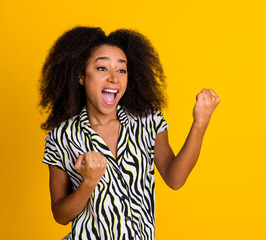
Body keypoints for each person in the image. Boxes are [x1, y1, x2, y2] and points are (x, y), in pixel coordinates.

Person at [40, 26, 220, 240]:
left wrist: (200, 123)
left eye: (122, 70)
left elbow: (175, 179)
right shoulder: (61, 137)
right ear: (81, 75)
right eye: (102, 69)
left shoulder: (148, 121)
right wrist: (88, 183)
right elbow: (60, 215)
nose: (114, 78)